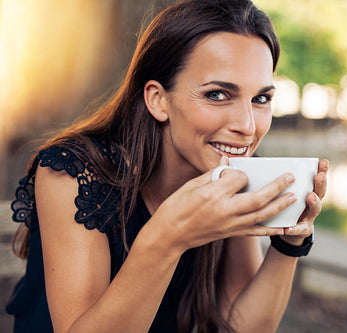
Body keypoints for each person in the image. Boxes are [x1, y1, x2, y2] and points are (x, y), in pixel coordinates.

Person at [6, 0, 329, 332]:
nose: (248, 126)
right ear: (158, 99)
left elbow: (243, 328)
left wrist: (290, 241)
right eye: (218, 94)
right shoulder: (74, 173)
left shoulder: (234, 171)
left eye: (261, 99)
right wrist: (168, 238)